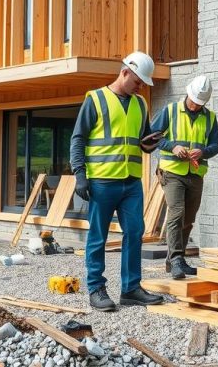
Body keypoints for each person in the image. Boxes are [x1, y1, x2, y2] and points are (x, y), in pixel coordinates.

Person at [70, 51, 165, 312]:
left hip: (131, 182)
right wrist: (80, 174)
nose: (140, 87)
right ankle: (96, 288)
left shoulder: (140, 104)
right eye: (138, 82)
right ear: (124, 72)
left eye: (143, 84)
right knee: (98, 237)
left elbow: (142, 141)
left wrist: (150, 144)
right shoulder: (96, 99)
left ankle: (131, 289)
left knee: (135, 232)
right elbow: (78, 138)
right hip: (102, 181)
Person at [151, 75, 218, 279]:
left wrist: (204, 152)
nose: (195, 106)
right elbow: (153, 136)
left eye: (200, 104)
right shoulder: (171, 110)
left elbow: (216, 145)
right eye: (193, 102)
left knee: (189, 218)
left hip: (195, 173)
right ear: (187, 94)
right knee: (177, 213)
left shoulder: (210, 117)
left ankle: (175, 259)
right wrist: (173, 146)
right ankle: (176, 261)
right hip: (172, 171)